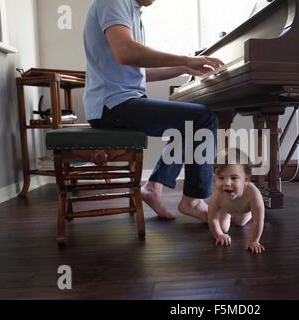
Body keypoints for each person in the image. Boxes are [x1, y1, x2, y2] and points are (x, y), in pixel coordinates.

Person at [83, 0, 224, 222]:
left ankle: (153, 187)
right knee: (203, 117)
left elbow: (139, 72)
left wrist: (184, 68)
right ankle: (194, 201)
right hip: (111, 106)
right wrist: (186, 58)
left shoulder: (132, 12)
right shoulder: (114, 1)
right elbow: (126, 53)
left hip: (119, 103)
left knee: (190, 122)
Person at [208, 149, 266, 254]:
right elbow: (212, 218)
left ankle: (248, 214)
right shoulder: (217, 196)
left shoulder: (253, 194)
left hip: (244, 208)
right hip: (226, 208)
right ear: (214, 178)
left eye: (234, 178)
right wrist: (219, 235)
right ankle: (227, 214)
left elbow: (258, 221)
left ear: (246, 180)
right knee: (223, 228)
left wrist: (254, 241)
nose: (227, 183)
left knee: (240, 222)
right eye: (221, 178)